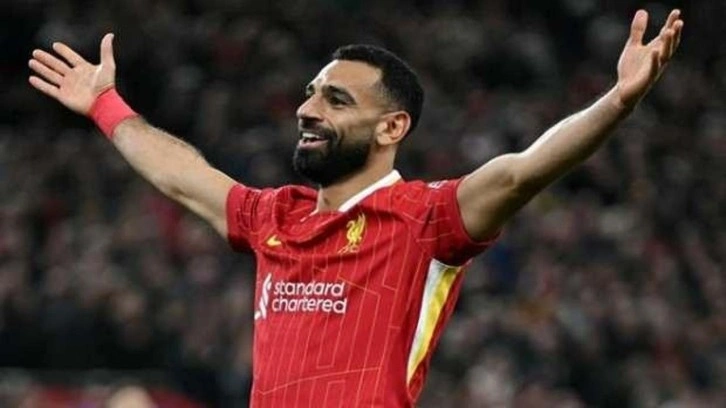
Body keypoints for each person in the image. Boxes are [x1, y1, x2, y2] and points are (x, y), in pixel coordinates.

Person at [28, 8, 683, 407]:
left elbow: (521, 172)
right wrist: (106, 106)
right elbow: (182, 177)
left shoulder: (425, 219)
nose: (307, 109)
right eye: (311, 93)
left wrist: (617, 102)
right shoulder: (274, 217)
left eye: (336, 100)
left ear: (392, 127)